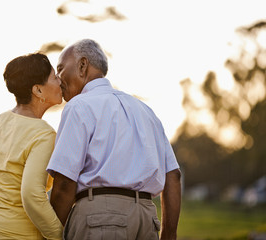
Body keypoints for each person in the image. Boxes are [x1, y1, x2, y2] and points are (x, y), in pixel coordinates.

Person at [46, 39, 182, 240]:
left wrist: (51, 235)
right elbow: (173, 176)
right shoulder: (146, 111)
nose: (58, 78)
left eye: (60, 69)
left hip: (100, 220)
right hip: (146, 221)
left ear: (83, 66)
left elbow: (65, 183)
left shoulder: (79, 106)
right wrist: (168, 235)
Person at [0, 53, 63, 240]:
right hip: (15, 234)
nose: (60, 81)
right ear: (38, 90)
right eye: (54, 76)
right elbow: (31, 195)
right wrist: (59, 235)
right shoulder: (44, 134)